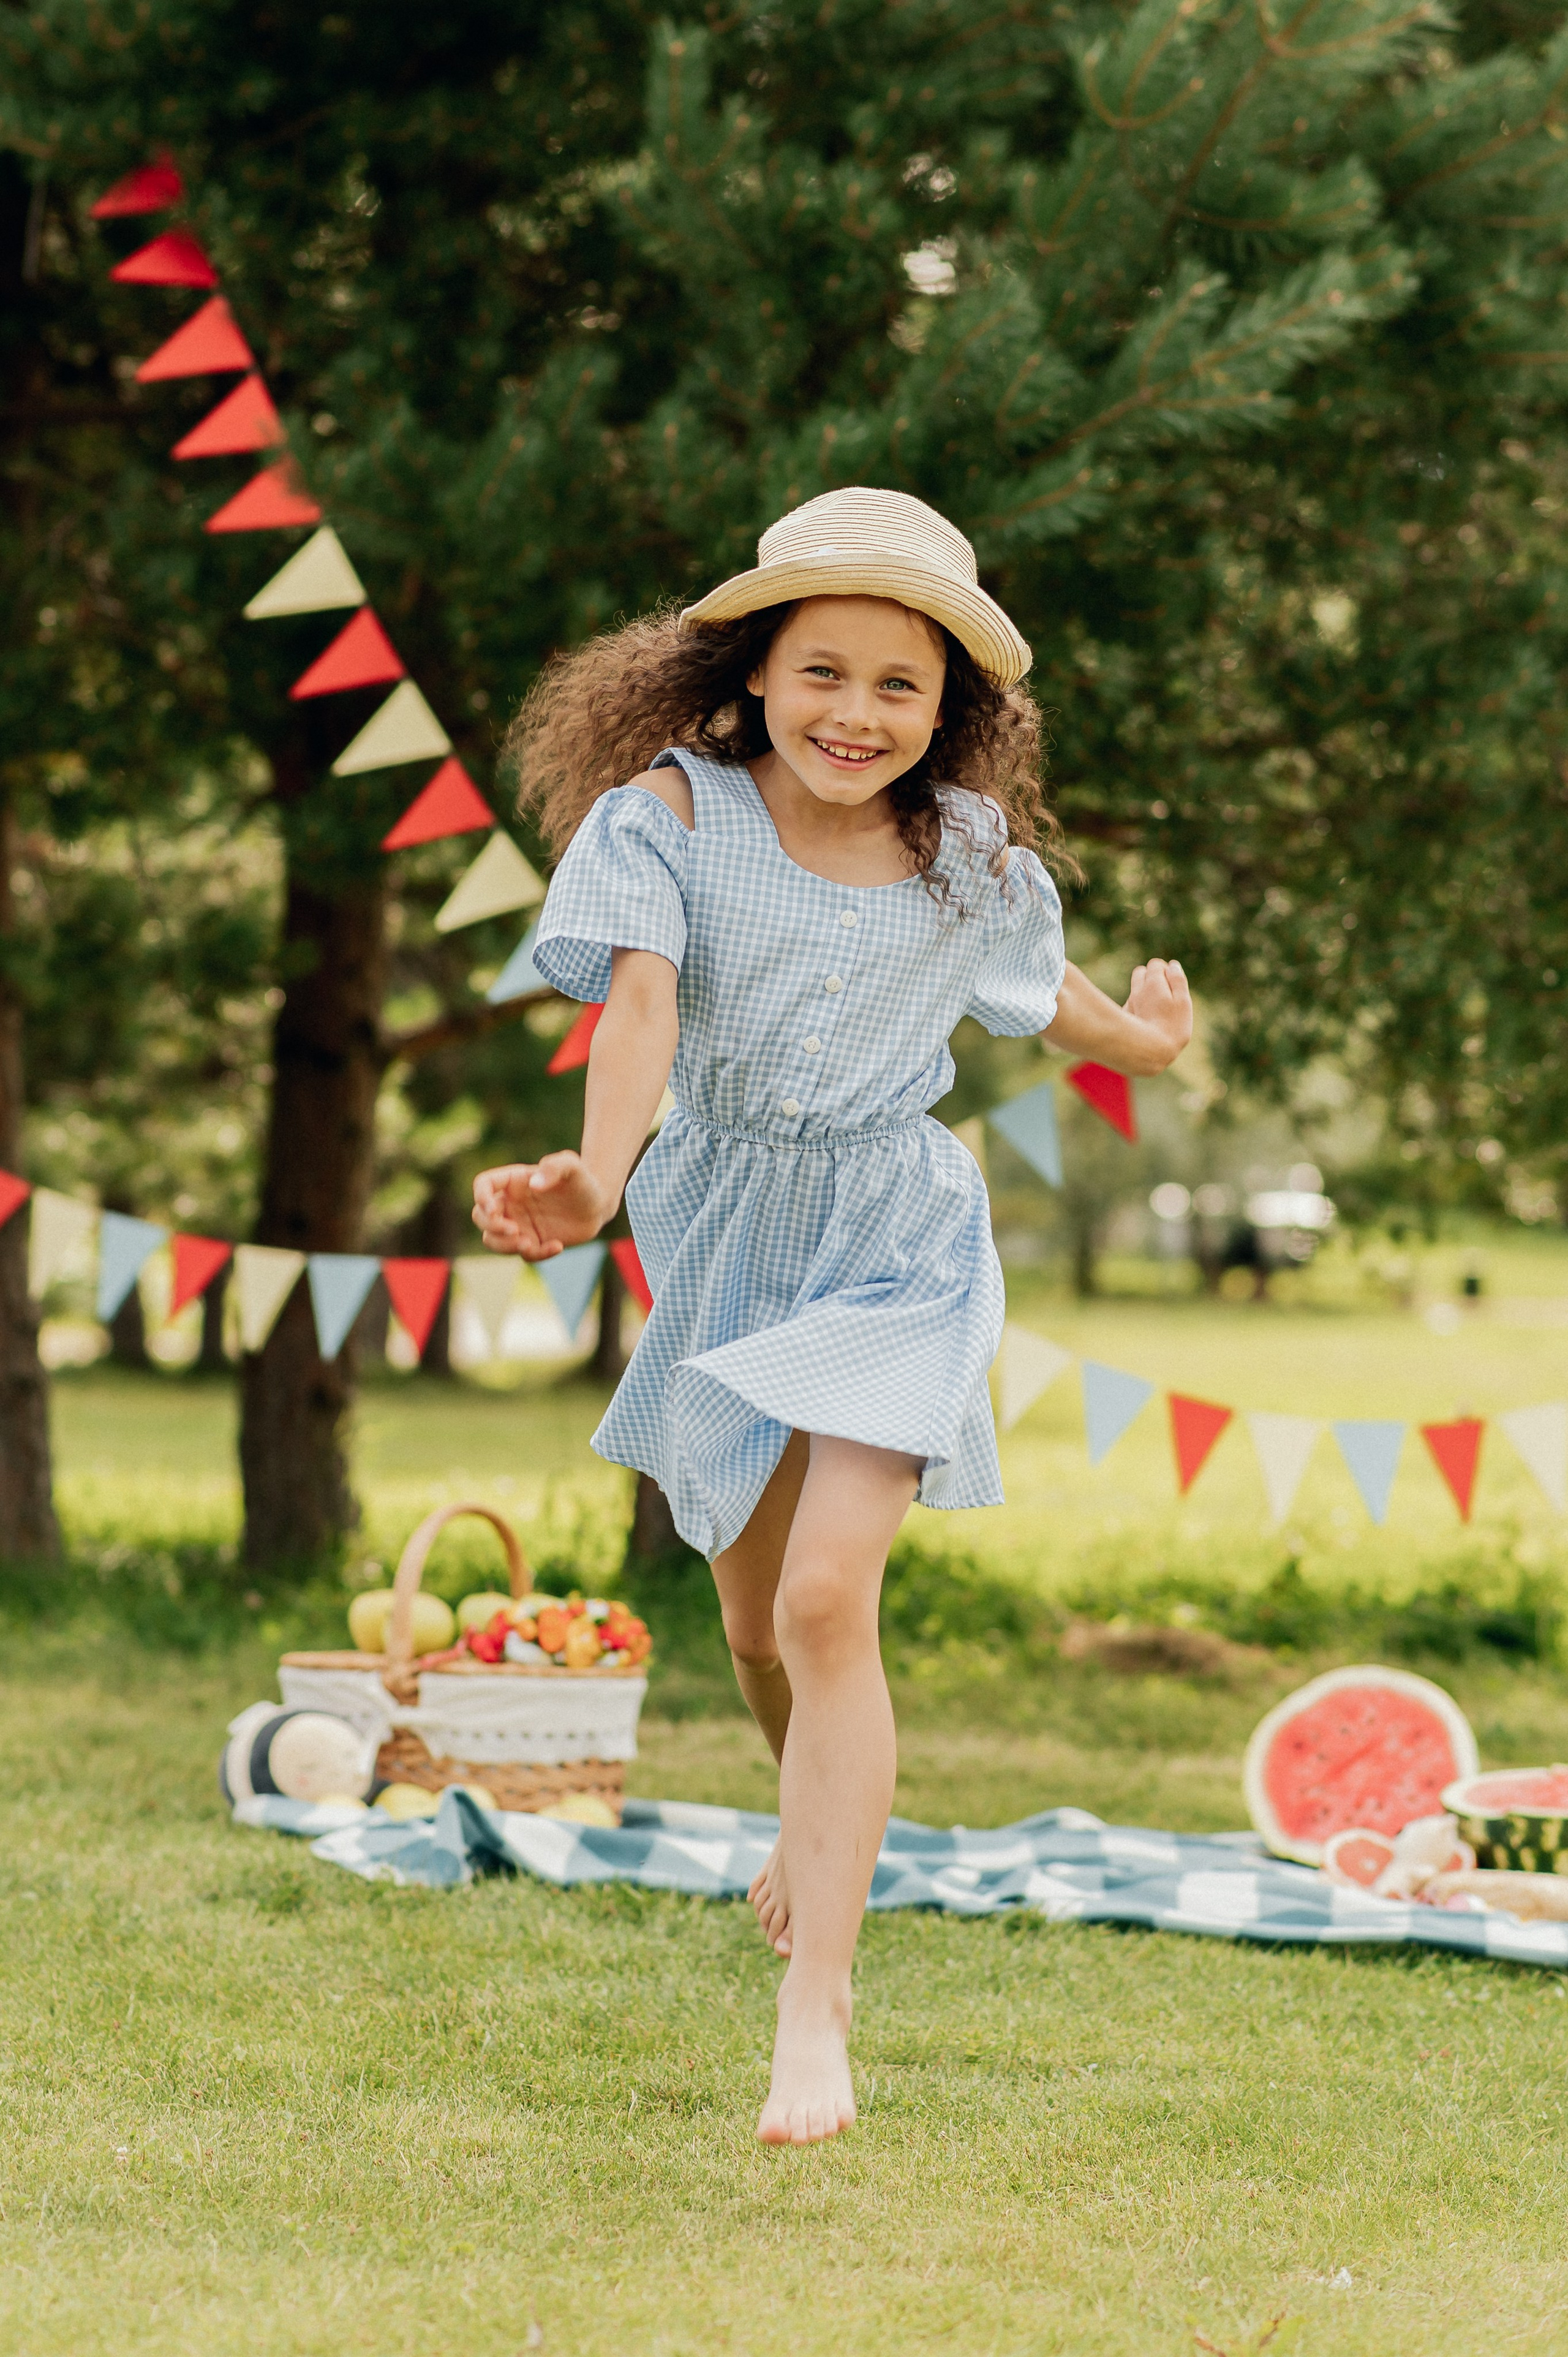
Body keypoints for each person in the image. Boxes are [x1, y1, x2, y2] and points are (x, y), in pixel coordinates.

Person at [472, 488, 1191, 2145]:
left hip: (896, 1234)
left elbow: (1046, 996)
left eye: (899, 686)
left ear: (952, 714)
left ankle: (819, 2013)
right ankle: (820, 1828)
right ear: (750, 671)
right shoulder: (665, 817)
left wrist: (1145, 1046)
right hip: (720, 1229)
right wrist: (593, 1179)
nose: (856, 714)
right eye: (824, 672)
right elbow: (640, 1001)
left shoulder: (970, 859)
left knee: (822, 1600)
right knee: (749, 1629)